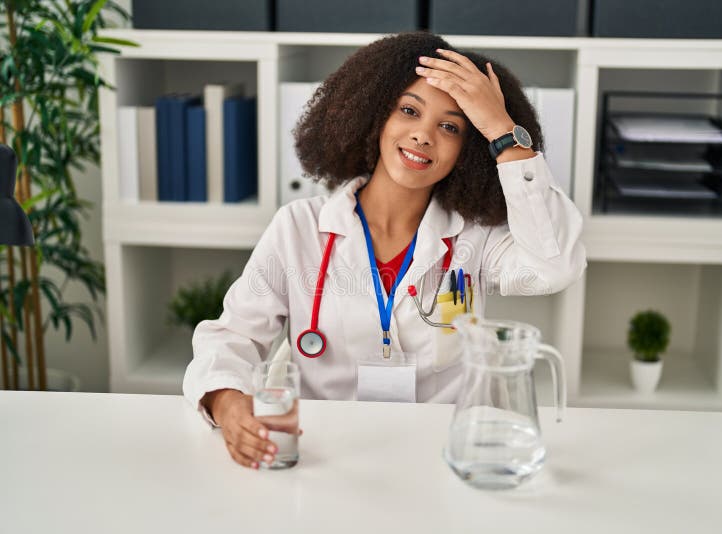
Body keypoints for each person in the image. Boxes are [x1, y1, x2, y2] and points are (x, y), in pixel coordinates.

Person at [183, 31, 586, 470]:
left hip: (443, 456)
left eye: (450, 126)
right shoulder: (298, 228)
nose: (422, 136)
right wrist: (227, 403)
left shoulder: (477, 238)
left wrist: (502, 131)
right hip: (330, 457)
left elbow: (554, 266)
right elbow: (233, 337)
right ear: (375, 117)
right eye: (409, 111)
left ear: (469, 149)